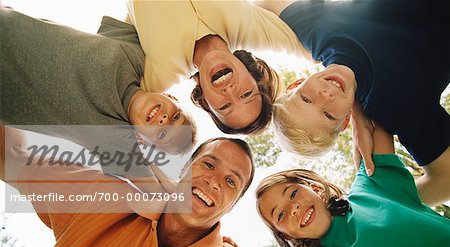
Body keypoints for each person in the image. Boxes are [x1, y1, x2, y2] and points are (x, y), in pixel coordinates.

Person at [1, 126, 279, 247]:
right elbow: (10, 156)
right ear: (182, 170)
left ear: (231, 206)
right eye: (208, 164)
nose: (214, 181)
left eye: (231, 181)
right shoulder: (105, 196)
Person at [255, 0, 450, 205]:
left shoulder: (316, 34)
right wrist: (371, 209)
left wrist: (358, 111)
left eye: (306, 99)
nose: (325, 97)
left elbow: (266, 3)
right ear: (344, 121)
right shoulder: (393, 107)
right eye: (328, 115)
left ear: (295, 84)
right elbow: (445, 180)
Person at [0, 8, 197, 184]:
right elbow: (146, 13)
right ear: (172, 98)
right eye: (176, 117)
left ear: (142, 141)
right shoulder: (133, 56)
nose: (164, 120)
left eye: (163, 134)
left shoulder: (112, 134)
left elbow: (155, 191)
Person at [255, 123, 450, 247]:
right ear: (285, 235)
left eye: (293, 193)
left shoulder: (371, 186)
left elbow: (377, 106)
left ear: (315, 188)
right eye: (280, 214)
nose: (293, 208)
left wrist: (357, 121)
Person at [126, 0, 312, 134]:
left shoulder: (160, 74)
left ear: (206, 102)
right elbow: (313, 48)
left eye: (225, 106)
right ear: (253, 77)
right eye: (246, 94)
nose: (230, 91)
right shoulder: (248, 26)